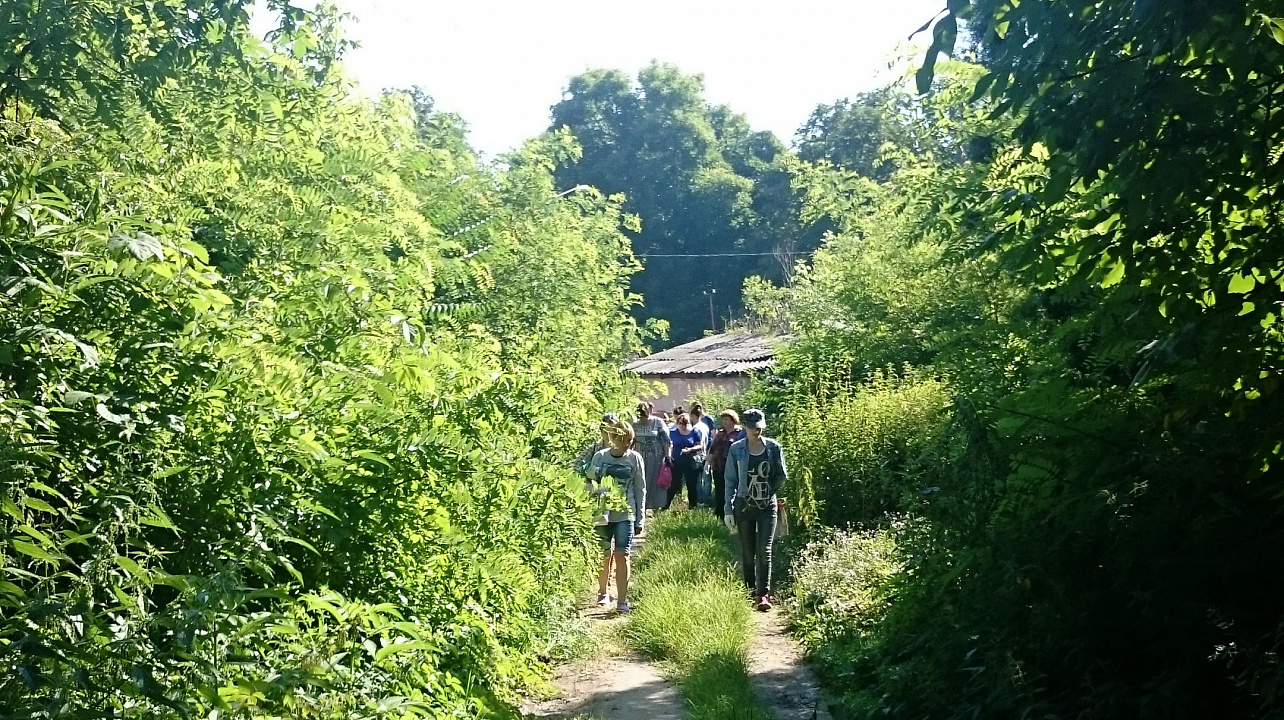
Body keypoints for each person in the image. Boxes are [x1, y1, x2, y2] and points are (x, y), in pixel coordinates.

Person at [723, 408, 787, 612]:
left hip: (767, 505)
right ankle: (749, 591)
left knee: (764, 550)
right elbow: (730, 480)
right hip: (743, 505)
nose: (756, 432)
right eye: (752, 428)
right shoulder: (736, 449)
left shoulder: (773, 448)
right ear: (744, 427)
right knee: (748, 551)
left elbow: (781, 474)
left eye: (759, 428)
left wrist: (769, 491)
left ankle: (763, 595)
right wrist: (728, 509)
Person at [587, 418, 645, 613]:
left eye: (629, 440)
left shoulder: (635, 458)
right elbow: (590, 483)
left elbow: (640, 488)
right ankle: (603, 593)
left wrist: (640, 517)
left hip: (625, 513)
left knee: (623, 553)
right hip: (602, 512)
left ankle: (622, 600)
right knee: (604, 555)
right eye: (623, 439)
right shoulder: (600, 456)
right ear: (613, 438)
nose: (627, 444)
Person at [632, 402, 670, 528]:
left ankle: (656, 509)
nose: (643, 418)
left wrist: (667, 456)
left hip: (656, 457)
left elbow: (666, 441)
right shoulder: (635, 425)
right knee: (641, 483)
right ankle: (640, 509)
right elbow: (631, 441)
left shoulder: (658, 423)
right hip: (640, 457)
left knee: (655, 483)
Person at [665, 412, 707, 510]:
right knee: (673, 485)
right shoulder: (673, 432)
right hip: (676, 461)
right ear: (677, 423)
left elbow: (700, 445)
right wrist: (669, 456)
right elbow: (669, 445)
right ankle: (666, 506)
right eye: (680, 423)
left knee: (691, 485)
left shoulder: (695, 432)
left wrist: (690, 449)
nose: (683, 426)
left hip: (690, 462)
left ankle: (693, 506)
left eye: (685, 423)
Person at [707, 409, 745, 513]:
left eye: (727, 419)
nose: (724, 422)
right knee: (719, 490)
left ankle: (733, 512)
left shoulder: (740, 433)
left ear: (733, 420)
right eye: (723, 419)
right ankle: (720, 512)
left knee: (731, 490)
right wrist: (708, 463)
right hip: (718, 466)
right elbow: (713, 448)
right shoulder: (720, 433)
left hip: (733, 467)